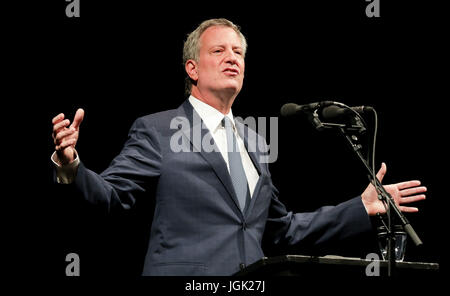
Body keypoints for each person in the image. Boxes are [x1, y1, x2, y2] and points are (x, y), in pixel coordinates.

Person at [51, 18, 426, 276]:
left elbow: (282, 230)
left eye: (238, 52)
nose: (232, 57)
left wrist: (359, 207)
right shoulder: (159, 129)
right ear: (192, 68)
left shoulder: (254, 142)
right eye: (219, 51)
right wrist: (72, 166)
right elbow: (113, 196)